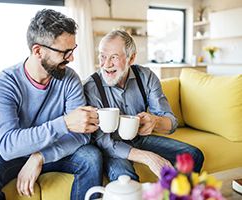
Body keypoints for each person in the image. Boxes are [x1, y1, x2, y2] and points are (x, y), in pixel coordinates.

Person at [0, 9, 102, 200]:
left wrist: (40, 156)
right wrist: (64, 124)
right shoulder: (4, 82)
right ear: (38, 51)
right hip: (6, 155)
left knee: (91, 157)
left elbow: (82, 135)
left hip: (50, 150)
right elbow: (7, 145)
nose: (71, 58)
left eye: (73, 50)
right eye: (65, 52)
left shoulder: (69, 78)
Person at [84, 30, 204, 182]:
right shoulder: (90, 87)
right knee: (126, 179)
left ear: (131, 58)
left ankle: (177, 195)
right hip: (112, 147)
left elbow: (171, 122)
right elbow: (102, 141)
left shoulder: (146, 77)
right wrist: (147, 157)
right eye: (102, 56)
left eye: (114, 57)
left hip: (140, 138)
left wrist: (155, 121)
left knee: (193, 156)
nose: (106, 64)